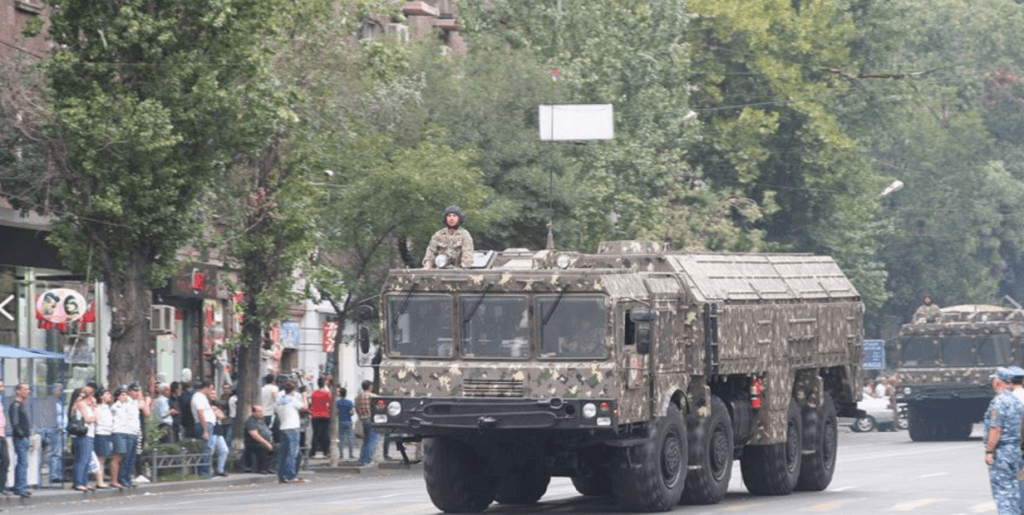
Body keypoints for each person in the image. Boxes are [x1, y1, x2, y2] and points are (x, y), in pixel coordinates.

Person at [984, 367, 1024, 514]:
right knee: (1014, 489)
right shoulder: (1016, 401)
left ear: (998, 382)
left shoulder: (999, 402)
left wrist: (989, 450)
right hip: (1015, 450)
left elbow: (996, 429)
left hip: (1002, 452)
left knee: (1002, 491)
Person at [422, 205, 474, 269]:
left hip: (458, 270)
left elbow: (467, 254)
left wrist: (464, 267)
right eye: (449, 216)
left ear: (459, 219)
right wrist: (428, 265)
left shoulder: (464, 235)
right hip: (440, 268)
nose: (451, 218)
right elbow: (430, 252)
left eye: (454, 216)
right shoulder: (438, 235)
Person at [276, 381, 307, 483]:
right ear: (292, 391)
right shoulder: (292, 399)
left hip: (283, 427)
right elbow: (304, 407)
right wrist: (304, 396)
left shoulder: (280, 399)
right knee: (292, 453)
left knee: (284, 453)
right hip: (292, 428)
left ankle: (282, 475)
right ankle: (291, 475)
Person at [35, 382, 65, 485]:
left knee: (57, 454)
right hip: (52, 430)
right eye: (58, 390)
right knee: (53, 453)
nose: (59, 392)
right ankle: (52, 475)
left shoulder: (59, 402)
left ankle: (56, 474)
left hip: (60, 430)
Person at [71, 386, 97, 492]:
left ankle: (84, 481)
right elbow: (89, 419)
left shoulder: (87, 405)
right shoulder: (81, 404)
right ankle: (79, 482)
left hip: (89, 434)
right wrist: (95, 410)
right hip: (83, 434)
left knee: (86, 460)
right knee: (82, 459)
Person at [9, 382, 31, 497]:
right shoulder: (16, 405)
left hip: (24, 438)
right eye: (25, 389)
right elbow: (15, 423)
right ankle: (20, 488)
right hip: (20, 438)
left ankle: (21, 486)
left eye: (27, 389)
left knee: (22, 463)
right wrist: (22, 435)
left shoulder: (21, 405)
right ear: (18, 391)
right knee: (23, 462)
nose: (27, 391)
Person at [109, 387, 133, 489]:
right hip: (118, 431)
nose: (125, 397)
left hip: (126, 431)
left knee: (125, 456)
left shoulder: (128, 406)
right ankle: (114, 480)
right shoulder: (115, 407)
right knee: (117, 456)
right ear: (117, 396)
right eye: (122, 395)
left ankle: (123, 478)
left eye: (126, 394)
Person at [244, 405, 276, 474]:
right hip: (253, 442)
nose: (261, 413)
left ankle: (271, 467)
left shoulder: (261, 420)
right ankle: (262, 469)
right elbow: (255, 435)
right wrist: (266, 443)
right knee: (262, 448)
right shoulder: (251, 421)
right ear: (253, 412)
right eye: (259, 411)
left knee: (278, 448)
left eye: (261, 411)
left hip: (265, 440)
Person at [356, 380, 379, 465]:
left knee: (365, 440)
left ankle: (362, 459)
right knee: (372, 440)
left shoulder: (358, 397)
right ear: (369, 387)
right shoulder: (373, 396)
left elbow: (357, 409)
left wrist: (360, 416)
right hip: (372, 419)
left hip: (363, 419)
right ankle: (368, 459)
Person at [93, 388, 113, 489]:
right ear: (101, 397)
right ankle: (99, 481)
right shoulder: (98, 408)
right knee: (100, 459)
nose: (109, 395)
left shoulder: (108, 408)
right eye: (107, 394)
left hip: (107, 434)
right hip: (100, 434)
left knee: (103, 459)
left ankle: (101, 480)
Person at [310, 377, 332, 458]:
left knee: (315, 434)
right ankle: (325, 452)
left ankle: (313, 452)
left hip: (315, 415)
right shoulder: (327, 393)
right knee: (325, 434)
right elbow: (330, 403)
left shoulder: (314, 393)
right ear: (324, 384)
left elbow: (311, 403)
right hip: (325, 415)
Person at [336, 386, 356, 460]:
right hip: (348, 421)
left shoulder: (338, 402)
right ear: (346, 394)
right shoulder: (350, 402)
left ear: (340, 394)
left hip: (341, 421)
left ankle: (341, 455)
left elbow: (337, 412)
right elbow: (352, 412)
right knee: (350, 438)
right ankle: (351, 454)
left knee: (341, 439)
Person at [0, 381, 9, 495]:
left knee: (6, 461)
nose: (2, 389)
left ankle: (2, 486)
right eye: (0, 386)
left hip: (2, 434)